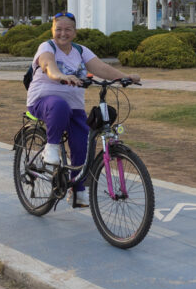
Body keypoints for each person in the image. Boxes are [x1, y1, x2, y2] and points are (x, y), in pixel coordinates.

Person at [25, 11, 139, 208]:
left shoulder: (80, 50)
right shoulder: (47, 47)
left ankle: (78, 190)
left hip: (74, 106)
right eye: (58, 29)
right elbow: (48, 66)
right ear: (52, 30)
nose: (63, 33)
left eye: (68, 29)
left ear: (75, 32)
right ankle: (50, 148)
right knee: (59, 105)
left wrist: (124, 76)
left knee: (84, 142)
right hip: (43, 102)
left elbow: (101, 68)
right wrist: (60, 75)